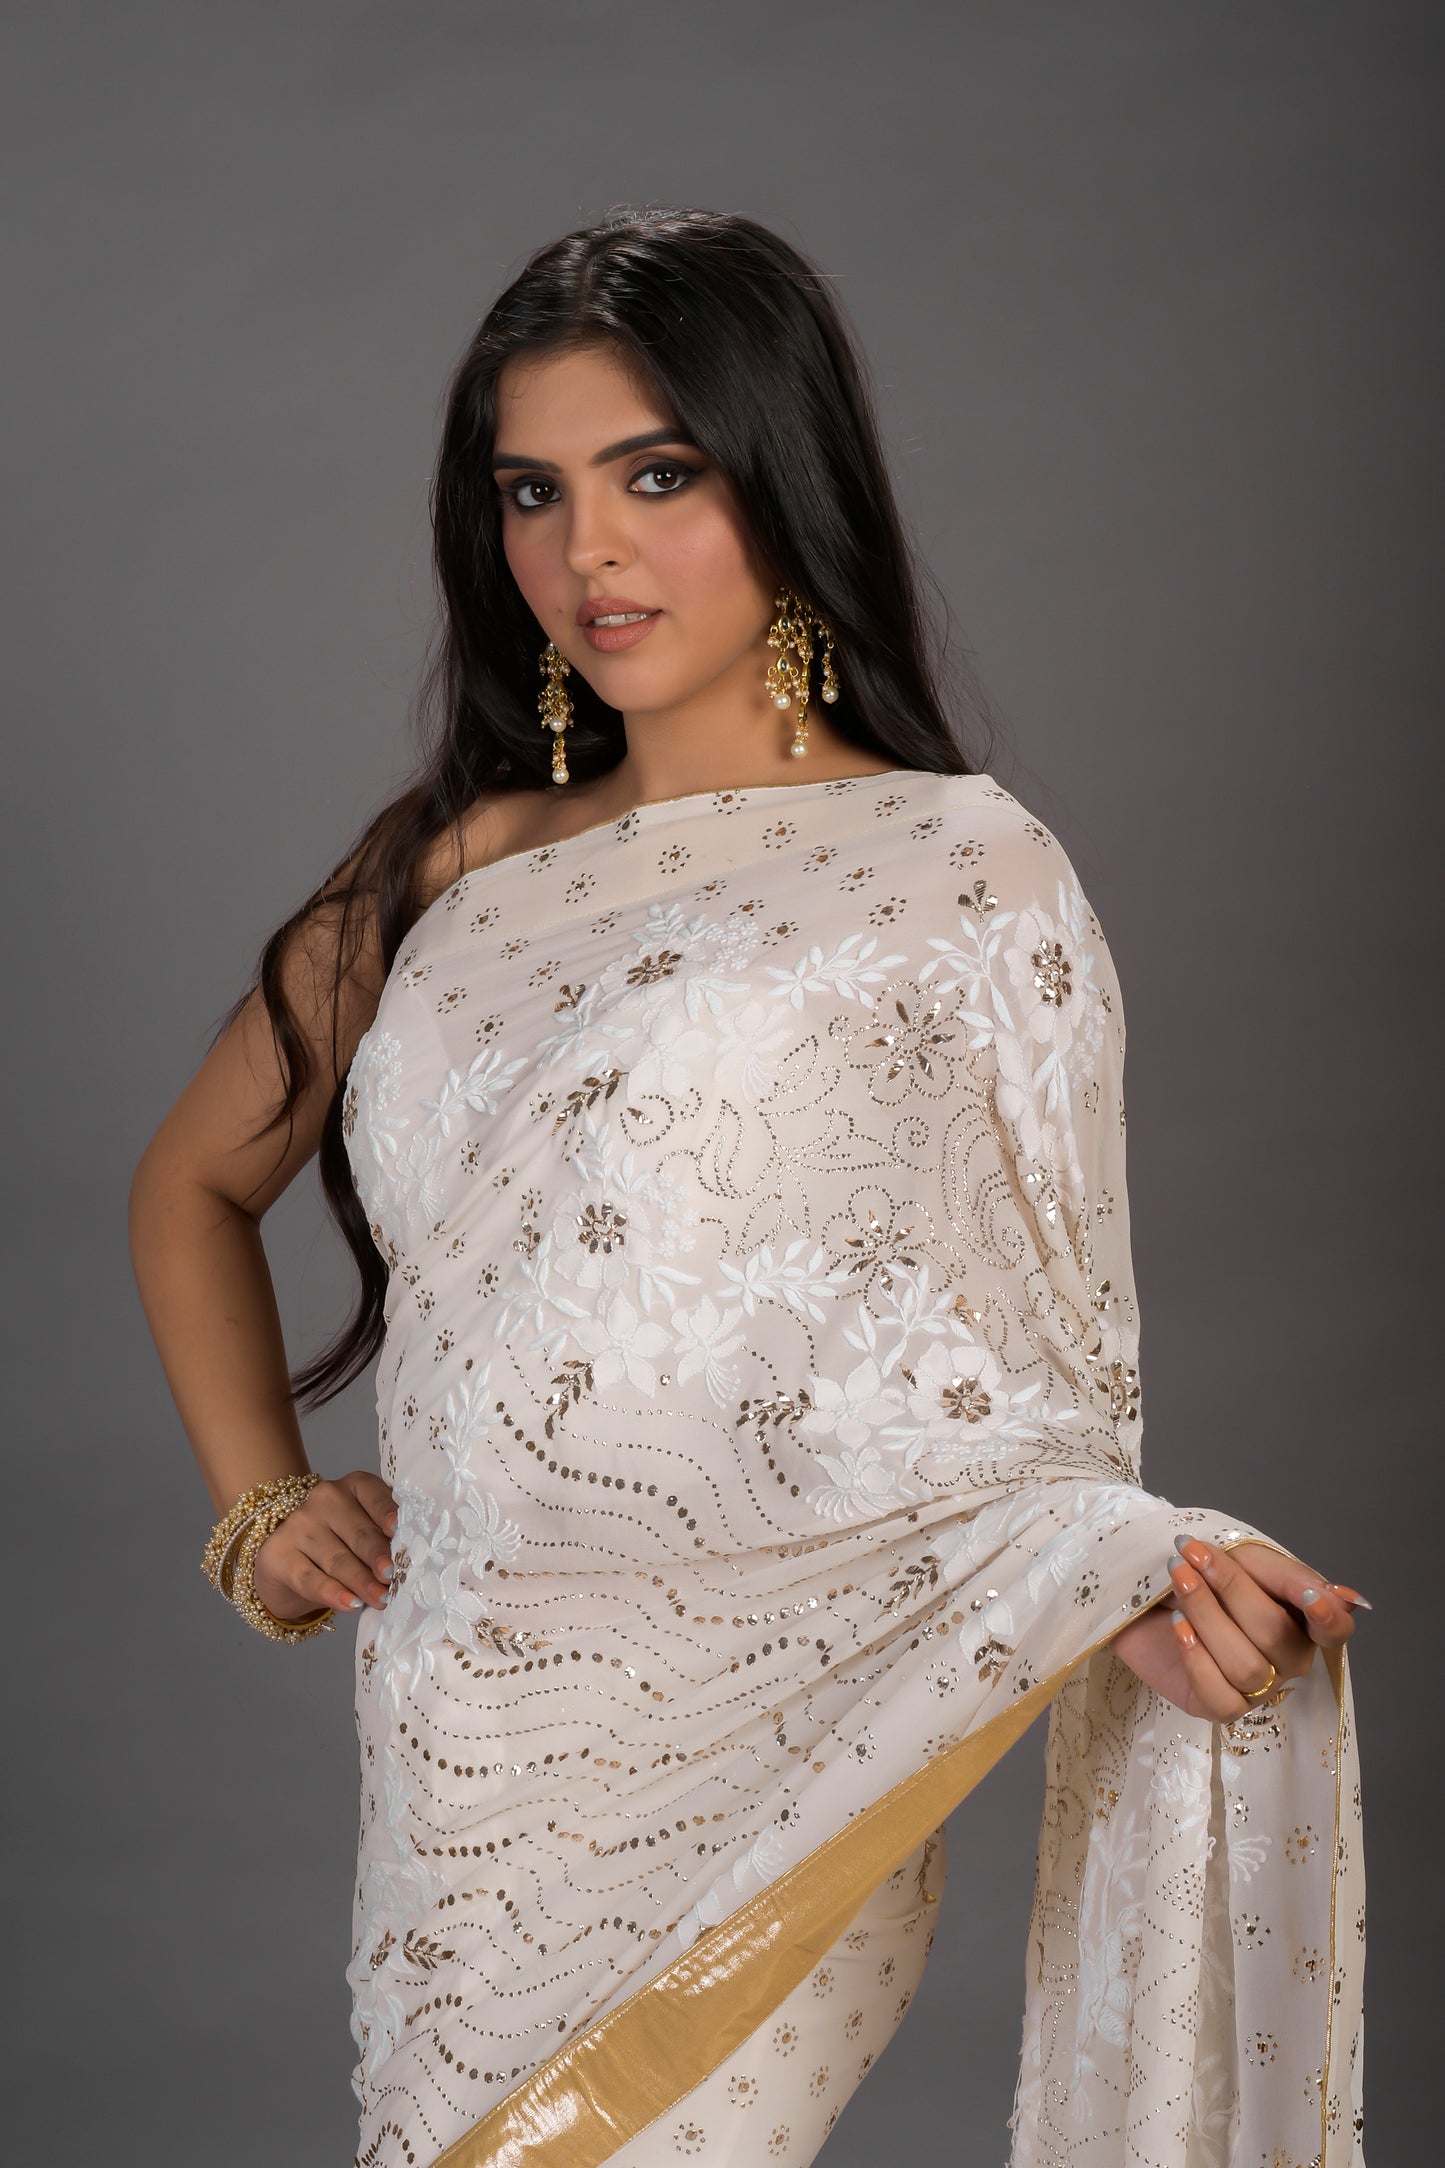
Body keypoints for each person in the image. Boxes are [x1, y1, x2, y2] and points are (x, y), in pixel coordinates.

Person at [129, 207, 1367, 2168]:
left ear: (781, 477)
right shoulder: (446, 868)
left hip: (774, 1733)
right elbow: (191, 1182)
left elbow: (1030, 1382)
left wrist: (1113, 1594)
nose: (586, 555)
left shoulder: (958, 872)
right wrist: (259, 1509)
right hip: (466, 1751)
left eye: (656, 476)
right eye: (532, 492)